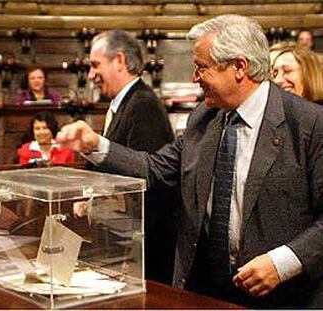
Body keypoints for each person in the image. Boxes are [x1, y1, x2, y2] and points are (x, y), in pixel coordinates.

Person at [57, 15, 323, 308]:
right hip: (205, 292)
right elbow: (154, 169)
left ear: (239, 67)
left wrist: (285, 261)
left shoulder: (308, 124)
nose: (195, 78)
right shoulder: (204, 118)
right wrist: (95, 144)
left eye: (201, 67)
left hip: (282, 297)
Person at [81, 29, 178, 285]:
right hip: (123, 242)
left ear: (120, 61)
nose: (90, 75)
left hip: (143, 252)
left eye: (95, 65)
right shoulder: (124, 102)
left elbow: (147, 178)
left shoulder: (143, 104)